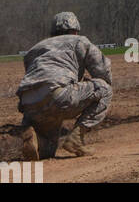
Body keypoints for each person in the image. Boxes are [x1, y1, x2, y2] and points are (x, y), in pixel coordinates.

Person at [17, 11, 112, 160]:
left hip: (29, 105)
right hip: (58, 95)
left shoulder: (34, 49)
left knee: (47, 152)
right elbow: (102, 71)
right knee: (104, 88)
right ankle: (76, 138)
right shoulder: (79, 41)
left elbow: (38, 79)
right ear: (75, 30)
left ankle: (32, 136)